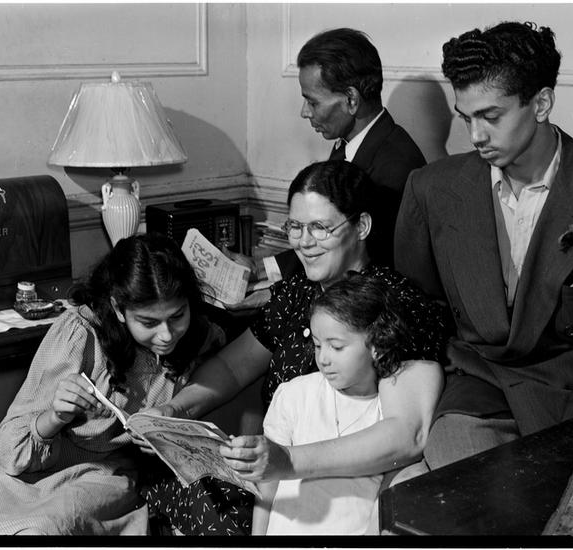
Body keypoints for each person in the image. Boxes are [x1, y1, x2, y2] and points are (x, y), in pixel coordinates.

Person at [394, 21, 573, 470]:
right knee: (467, 490)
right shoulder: (430, 189)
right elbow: (419, 311)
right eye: (466, 117)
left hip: (570, 397)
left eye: (491, 116)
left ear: (541, 103)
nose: (475, 135)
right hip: (475, 388)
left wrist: (560, 450)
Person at [143, 159, 447, 535]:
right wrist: (175, 411)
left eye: (319, 227)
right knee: (164, 486)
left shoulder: (394, 302)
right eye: (295, 227)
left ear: (362, 226)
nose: (304, 242)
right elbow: (234, 367)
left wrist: (286, 461)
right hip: (272, 476)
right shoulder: (297, 291)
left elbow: (408, 434)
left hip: (339, 492)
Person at [0, 233, 225, 535]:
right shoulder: (79, 334)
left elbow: (223, 371)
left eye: (178, 315)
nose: (167, 335)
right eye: (148, 323)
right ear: (118, 309)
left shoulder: (198, 338)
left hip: (100, 474)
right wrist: (56, 416)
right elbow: (13, 452)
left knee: (43, 530)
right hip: (20, 467)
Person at [228, 28, 425, 308]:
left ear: (351, 100)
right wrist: (260, 268)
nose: (304, 112)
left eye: (312, 101)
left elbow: (359, 267)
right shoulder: (350, 145)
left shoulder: (395, 166)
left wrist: (275, 293)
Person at [253, 272, 437, 535]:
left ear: (377, 345)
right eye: (317, 345)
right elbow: (267, 486)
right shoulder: (294, 395)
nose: (323, 359)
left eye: (336, 347)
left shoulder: (389, 408)